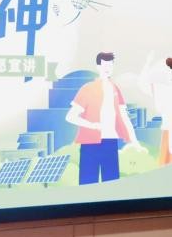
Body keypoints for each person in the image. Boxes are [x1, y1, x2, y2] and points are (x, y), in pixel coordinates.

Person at [66, 51, 146, 185]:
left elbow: (124, 118)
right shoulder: (88, 89)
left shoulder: (115, 89)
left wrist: (135, 142)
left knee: (112, 184)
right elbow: (70, 116)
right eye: (104, 65)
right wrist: (93, 125)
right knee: (88, 183)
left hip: (110, 141)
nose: (107, 68)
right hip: (90, 143)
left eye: (110, 65)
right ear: (98, 66)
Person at [138, 51, 172, 165]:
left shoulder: (160, 88)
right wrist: (147, 63)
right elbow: (142, 83)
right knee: (165, 162)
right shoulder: (161, 88)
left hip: (167, 128)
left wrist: (148, 63)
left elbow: (142, 83)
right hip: (167, 129)